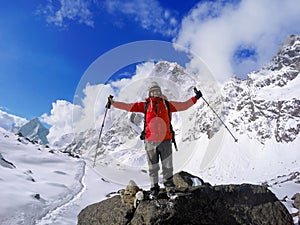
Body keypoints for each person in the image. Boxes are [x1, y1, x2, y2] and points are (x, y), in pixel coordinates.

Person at [108, 81, 202, 199]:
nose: (155, 92)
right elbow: (128, 106)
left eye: (157, 90)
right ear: (150, 93)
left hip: (166, 140)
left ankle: (170, 189)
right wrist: (113, 103)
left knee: (167, 166)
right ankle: (154, 189)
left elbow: (183, 105)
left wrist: (195, 98)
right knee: (153, 167)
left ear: (160, 92)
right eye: (153, 91)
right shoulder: (145, 105)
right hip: (150, 141)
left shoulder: (167, 104)